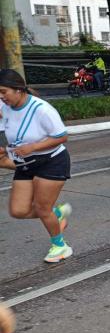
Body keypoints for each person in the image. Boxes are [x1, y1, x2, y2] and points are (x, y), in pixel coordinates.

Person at [0, 69, 74, 262]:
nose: (1, 96)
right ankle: (57, 214)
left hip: (52, 161)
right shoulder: (6, 106)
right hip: (26, 163)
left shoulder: (42, 109)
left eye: (3, 91)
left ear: (18, 90)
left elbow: (61, 136)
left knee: (42, 208)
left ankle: (60, 246)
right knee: (18, 211)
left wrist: (33, 146)